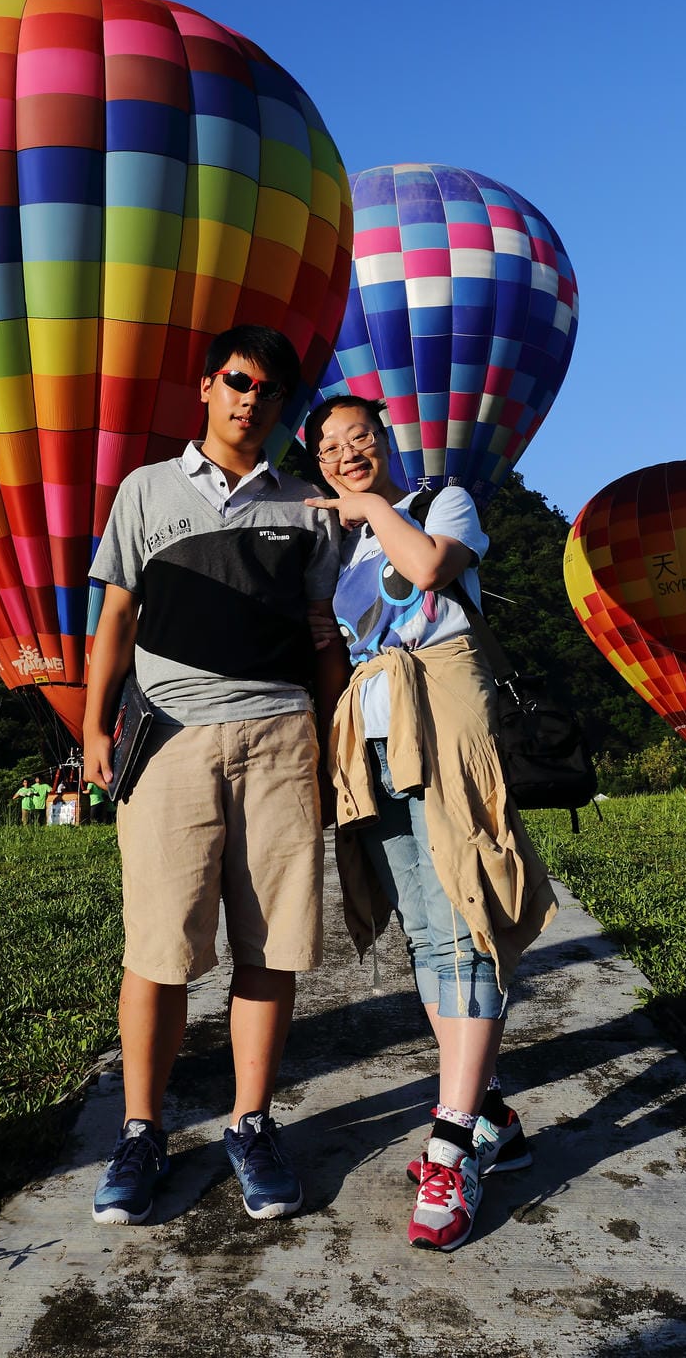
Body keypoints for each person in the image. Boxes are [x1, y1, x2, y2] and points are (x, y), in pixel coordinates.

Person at [83, 325, 343, 1227]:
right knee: (158, 947)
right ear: (205, 385)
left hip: (279, 736)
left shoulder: (309, 507)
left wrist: (334, 733)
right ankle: (142, 1130)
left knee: (270, 947)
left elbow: (322, 633)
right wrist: (91, 725)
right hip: (172, 739)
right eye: (237, 381)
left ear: (284, 408)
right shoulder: (145, 491)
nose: (250, 400)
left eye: (270, 392)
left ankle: (252, 1123)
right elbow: (117, 615)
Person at [304, 395, 557, 1253]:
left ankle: (453, 1143)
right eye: (330, 448)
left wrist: (372, 506)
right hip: (375, 741)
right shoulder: (338, 547)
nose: (346, 455)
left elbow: (427, 570)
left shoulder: (437, 505)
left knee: (466, 918)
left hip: (447, 727)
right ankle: (490, 1117)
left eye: (360, 440)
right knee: (424, 931)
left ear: (386, 444)